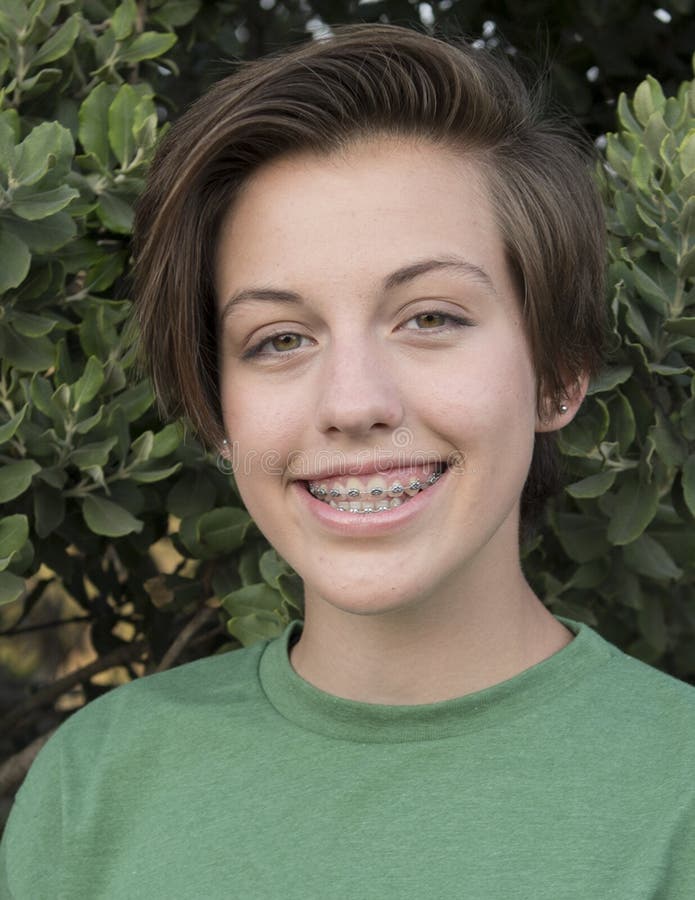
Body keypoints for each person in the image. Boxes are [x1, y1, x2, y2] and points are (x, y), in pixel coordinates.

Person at [2, 23, 694, 899]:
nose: (352, 403)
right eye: (280, 338)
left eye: (430, 317)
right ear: (220, 413)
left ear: (558, 374)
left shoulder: (677, 794)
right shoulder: (95, 785)